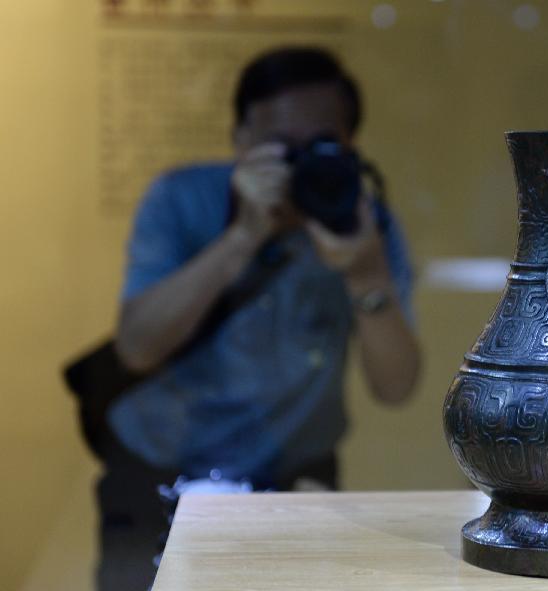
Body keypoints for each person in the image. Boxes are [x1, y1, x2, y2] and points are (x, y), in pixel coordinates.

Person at [96, 47, 421, 591]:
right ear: (240, 139)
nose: (299, 165)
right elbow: (136, 346)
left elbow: (396, 384)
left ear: (348, 146)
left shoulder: (363, 221)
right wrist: (242, 237)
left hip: (296, 482)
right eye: (279, 147)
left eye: (317, 145)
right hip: (157, 470)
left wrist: (366, 276)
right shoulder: (181, 200)